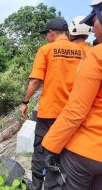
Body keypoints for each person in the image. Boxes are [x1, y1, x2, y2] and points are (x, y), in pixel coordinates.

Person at [19, 17, 84, 190]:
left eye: (46, 34)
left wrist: (24, 102)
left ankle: (37, 185)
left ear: (51, 32)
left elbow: (35, 81)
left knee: (41, 151)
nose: (45, 38)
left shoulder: (46, 50)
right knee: (64, 152)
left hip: (49, 113)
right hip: (72, 114)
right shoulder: (82, 52)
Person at [42, 2, 102, 189]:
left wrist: (50, 147)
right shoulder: (86, 51)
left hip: (85, 149)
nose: (93, 28)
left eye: (95, 20)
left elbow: (76, 110)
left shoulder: (97, 56)